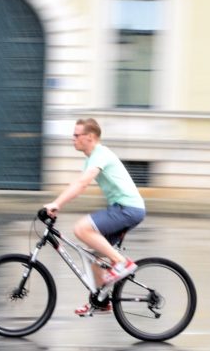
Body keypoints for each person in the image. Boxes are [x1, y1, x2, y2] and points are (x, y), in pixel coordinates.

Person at [43, 118, 146, 315]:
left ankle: (121, 263)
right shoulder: (92, 158)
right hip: (123, 208)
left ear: (90, 137)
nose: (73, 139)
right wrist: (59, 204)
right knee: (94, 257)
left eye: (76, 135)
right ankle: (101, 302)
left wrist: (57, 204)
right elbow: (78, 184)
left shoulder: (101, 154)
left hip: (128, 208)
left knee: (81, 228)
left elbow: (82, 184)